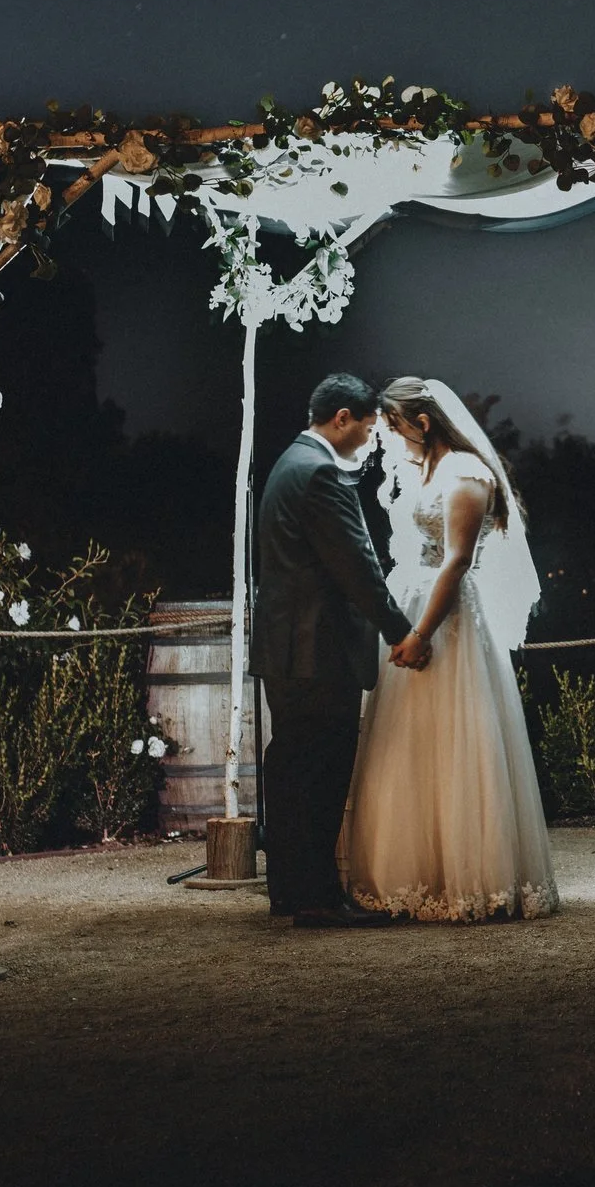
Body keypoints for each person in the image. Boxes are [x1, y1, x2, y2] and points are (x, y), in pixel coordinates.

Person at [342, 377, 558, 922]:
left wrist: (420, 634)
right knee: (411, 745)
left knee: (456, 742)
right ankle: (414, 872)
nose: (391, 437)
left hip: (450, 626)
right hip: (415, 609)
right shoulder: (429, 469)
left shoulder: (466, 475)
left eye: (395, 426)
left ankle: (466, 877)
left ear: (422, 422)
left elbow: (456, 561)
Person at [254, 373, 421, 929]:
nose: (374, 440)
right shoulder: (322, 473)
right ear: (343, 418)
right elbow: (358, 569)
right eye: (371, 427)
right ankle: (317, 899)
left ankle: (290, 890)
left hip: (286, 648)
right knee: (320, 776)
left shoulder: (287, 463)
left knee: (290, 770)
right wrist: (401, 632)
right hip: (318, 652)